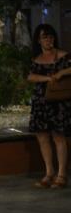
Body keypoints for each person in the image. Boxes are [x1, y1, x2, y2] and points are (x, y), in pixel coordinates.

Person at [28, 24, 70, 189]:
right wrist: (47, 79)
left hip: (59, 103)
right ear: (38, 40)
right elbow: (30, 76)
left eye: (51, 36)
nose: (48, 40)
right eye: (45, 37)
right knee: (43, 138)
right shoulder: (35, 59)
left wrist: (60, 73)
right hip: (41, 103)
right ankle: (49, 172)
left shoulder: (63, 55)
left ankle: (61, 174)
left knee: (59, 137)